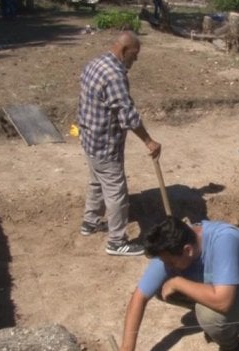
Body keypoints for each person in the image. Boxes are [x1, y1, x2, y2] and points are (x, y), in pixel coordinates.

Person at [120, 217, 239, 351]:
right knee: (160, 287)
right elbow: (139, 297)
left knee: (208, 314)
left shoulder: (223, 239)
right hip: (223, 286)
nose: (167, 266)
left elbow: (223, 302)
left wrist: (178, 282)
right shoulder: (170, 248)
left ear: (188, 250)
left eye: (171, 262)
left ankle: (234, 347)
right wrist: (127, 348)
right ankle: (218, 323)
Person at [77, 31, 161, 256]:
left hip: (89, 137)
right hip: (105, 143)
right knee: (116, 192)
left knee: (96, 181)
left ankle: (91, 222)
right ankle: (116, 242)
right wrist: (149, 141)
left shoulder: (95, 63)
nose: (136, 59)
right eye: (134, 54)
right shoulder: (114, 75)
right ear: (124, 51)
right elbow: (129, 117)